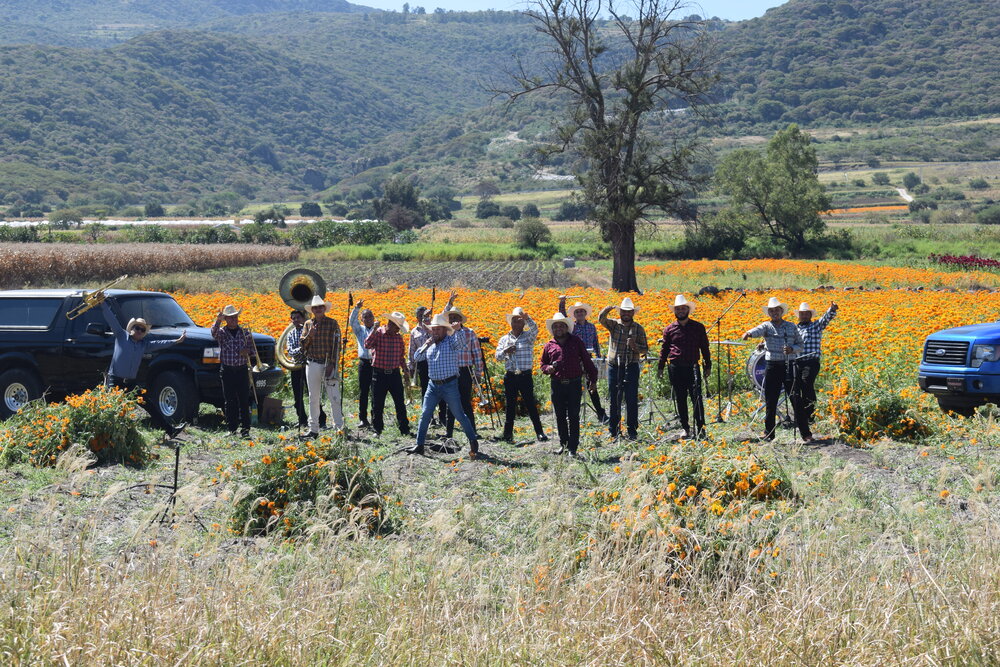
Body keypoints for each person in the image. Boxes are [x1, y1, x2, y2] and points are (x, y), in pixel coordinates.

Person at [99, 299, 186, 437]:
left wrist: (176, 341)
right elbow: (111, 319)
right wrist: (102, 302)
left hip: (130, 383)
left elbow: (159, 343)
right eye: (137, 328)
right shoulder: (121, 335)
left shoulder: (144, 344)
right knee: (110, 408)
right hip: (115, 380)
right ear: (131, 328)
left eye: (142, 329)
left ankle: (171, 431)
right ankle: (104, 435)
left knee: (150, 406)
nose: (139, 331)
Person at [409, 313, 483, 459]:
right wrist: (426, 344)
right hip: (433, 386)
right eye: (434, 329)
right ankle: (419, 444)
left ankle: (473, 440)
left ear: (445, 330)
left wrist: (459, 329)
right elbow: (417, 357)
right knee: (425, 414)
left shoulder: (451, 342)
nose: (435, 332)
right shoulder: (430, 345)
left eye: (438, 329)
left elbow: (461, 342)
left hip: (449, 385)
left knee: (459, 414)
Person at [741, 296, 808, 442]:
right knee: (771, 400)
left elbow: (801, 345)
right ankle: (769, 433)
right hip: (772, 366)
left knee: (796, 399)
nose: (774, 313)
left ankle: (806, 433)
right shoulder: (767, 326)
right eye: (771, 311)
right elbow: (757, 330)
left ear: (781, 311)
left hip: (789, 365)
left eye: (776, 310)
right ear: (769, 313)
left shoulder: (791, 326)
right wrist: (749, 333)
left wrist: (792, 349)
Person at [541, 311, 598, 457]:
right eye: (555, 326)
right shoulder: (549, 345)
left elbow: (587, 361)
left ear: (567, 327)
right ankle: (564, 445)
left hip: (574, 384)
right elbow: (543, 364)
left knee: (573, 415)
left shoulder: (576, 341)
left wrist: (593, 380)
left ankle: (573, 448)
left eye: (561, 326)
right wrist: (548, 368)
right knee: (560, 416)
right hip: (557, 385)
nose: (558, 328)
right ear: (552, 329)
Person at [656, 294, 711, 439]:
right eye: (678, 309)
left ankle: (701, 428)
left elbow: (705, 347)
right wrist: (660, 367)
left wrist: (708, 365)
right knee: (680, 399)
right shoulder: (669, 329)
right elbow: (664, 350)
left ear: (688, 310)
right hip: (676, 367)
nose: (680, 311)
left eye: (683, 308)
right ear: (675, 311)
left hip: (692, 367)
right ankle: (686, 428)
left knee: (697, 398)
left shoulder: (698, 327)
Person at [495, 307, 547, 443]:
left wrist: (527, 318)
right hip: (511, 376)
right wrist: (506, 351)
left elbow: (535, 329)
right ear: (510, 323)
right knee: (510, 405)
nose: (517, 324)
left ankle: (540, 432)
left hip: (525, 375)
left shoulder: (528, 337)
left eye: (519, 321)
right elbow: (497, 357)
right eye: (514, 321)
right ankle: (507, 434)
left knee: (530, 404)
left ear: (523, 323)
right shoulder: (504, 339)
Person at [599, 297, 648, 441]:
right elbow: (601, 319)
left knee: (631, 399)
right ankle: (614, 430)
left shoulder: (638, 328)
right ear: (620, 312)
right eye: (623, 311)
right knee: (614, 399)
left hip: (631, 366)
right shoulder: (614, 325)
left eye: (629, 311)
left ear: (633, 313)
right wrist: (608, 308)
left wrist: (634, 346)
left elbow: (645, 349)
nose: (626, 314)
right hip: (614, 366)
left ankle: (632, 430)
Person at [558, 296, 608, 423]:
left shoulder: (591, 327)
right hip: (574, 360)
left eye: (581, 311)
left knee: (592, 386)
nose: (580, 313)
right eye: (577, 312)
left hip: (589, 360)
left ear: (585, 313)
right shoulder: (571, 327)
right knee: (573, 387)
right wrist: (562, 303)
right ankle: (571, 414)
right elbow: (562, 317)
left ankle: (600, 414)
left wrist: (598, 357)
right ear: (574, 315)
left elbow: (595, 342)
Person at [300, 295, 344, 439]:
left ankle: (339, 428)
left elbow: (337, 345)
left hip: (328, 364)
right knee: (313, 397)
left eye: (320, 307)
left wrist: (332, 363)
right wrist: (310, 335)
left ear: (324, 308)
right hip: (312, 363)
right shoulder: (308, 324)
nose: (318, 309)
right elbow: (302, 346)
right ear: (312, 310)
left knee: (334, 396)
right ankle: (313, 429)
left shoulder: (332, 323)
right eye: (315, 308)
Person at [364, 311, 412, 437]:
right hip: (379, 374)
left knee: (400, 402)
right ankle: (377, 429)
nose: (398, 330)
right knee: (377, 403)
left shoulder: (398, 338)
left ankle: (404, 429)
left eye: (399, 328)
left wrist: (405, 370)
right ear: (390, 323)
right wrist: (373, 330)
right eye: (397, 327)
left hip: (394, 374)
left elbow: (401, 357)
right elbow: (367, 344)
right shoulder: (378, 333)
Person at [443, 293, 483, 440]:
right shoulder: (446, 332)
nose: (453, 320)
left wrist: (478, 372)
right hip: (450, 371)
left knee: (466, 402)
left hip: (465, 371)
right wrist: (449, 303)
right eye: (451, 317)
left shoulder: (469, 332)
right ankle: (449, 433)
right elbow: (439, 317)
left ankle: (472, 431)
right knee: (450, 403)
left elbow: (476, 353)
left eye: (455, 317)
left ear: (460, 320)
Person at [795, 301, 838, 434]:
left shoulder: (816, 325)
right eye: (802, 314)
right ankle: (801, 415)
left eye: (806, 314)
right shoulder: (795, 329)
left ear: (810, 315)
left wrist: (831, 309)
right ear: (799, 315)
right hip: (797, 362)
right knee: (797, 387)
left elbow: (826, 318)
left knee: (806, 383)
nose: (804, 316)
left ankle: (810, 415)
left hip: (811, 361)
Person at [211, 304, 254, 438]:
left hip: (242, 370)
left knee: (244, 400)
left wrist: (247, 351)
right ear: (226, 319)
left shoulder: (245, 332)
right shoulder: (222, 332)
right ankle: (232, 429)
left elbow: (252, 350)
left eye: (235, 317)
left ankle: (245, 429)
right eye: (230, 317)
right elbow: (213, 333)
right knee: (229, 401)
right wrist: (218, 320)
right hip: (227, 370)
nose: (234, 319)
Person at [285, 309, 325, 431]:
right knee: (297, 396)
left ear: (303, 318)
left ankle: (321, 420)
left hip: (310, 365)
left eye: (298, 317)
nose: (296, 320)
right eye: (294, 318)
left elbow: (314, 347)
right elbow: (291, 352)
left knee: (313, 394)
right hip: (296, 366)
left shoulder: (310, 330)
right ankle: (302, 420)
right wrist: (303, 348)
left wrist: (301, 348)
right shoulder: (290, 334)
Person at [409, 305, 446, 426]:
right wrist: (411, 366)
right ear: (416, 317)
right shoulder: (414, 332)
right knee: (426, 391)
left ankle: (442, 417)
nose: (422, 317)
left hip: (436, 360)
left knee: (440, 389)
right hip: (422, 363)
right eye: (420, 315)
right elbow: (412, 349)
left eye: (424, 315)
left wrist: (428, 322)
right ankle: (430, 418)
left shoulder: (433, 328)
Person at [349, 299, 377, 429]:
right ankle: (363, 419)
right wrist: (357, 308)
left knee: (376, 392)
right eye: (365, 317)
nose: (368, 319)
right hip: (364, 364)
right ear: (362, 319)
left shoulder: (378, 330)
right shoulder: (359, 330)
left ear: (373, 317)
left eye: (370, 316)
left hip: (376, 364)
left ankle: (375, 418)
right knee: (363, 391)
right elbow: (352, 321)